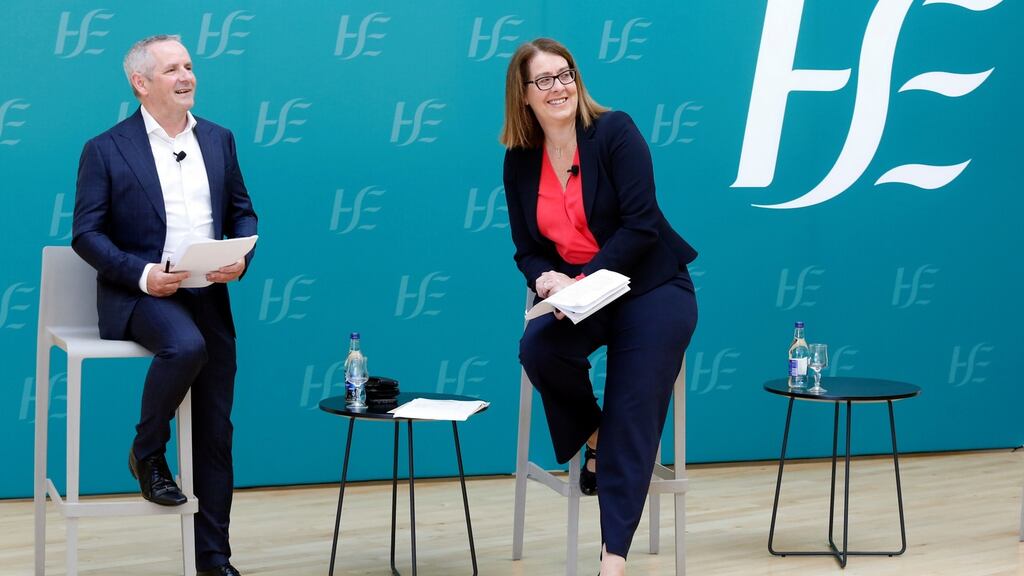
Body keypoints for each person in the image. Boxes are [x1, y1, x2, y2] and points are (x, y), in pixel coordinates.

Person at [500, 38, 698, 576]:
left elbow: (640, 226)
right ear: (523, 97)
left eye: (564, 74)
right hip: (583, 295)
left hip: (651, 287)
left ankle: (613, 559)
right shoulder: (519, 162)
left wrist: (581, 283)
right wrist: (546, 282)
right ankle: (598, 439)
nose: (558, 87)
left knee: (634, 406)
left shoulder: (615, 132)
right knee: (539, 349)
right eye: (543, 80)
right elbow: (528, 248)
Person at [72, 34, 257, 576]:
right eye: (172, 68)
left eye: (189, 66)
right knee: (185, 346)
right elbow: (86, 234)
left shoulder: (219, 140)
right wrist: (144, 274)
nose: (186, 76)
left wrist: (241, 258)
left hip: (210, 293)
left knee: (216, 431)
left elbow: (244, 212)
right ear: (141, 83)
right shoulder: (106, 148)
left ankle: (214, 559)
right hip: (142, 294)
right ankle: (148, 450)